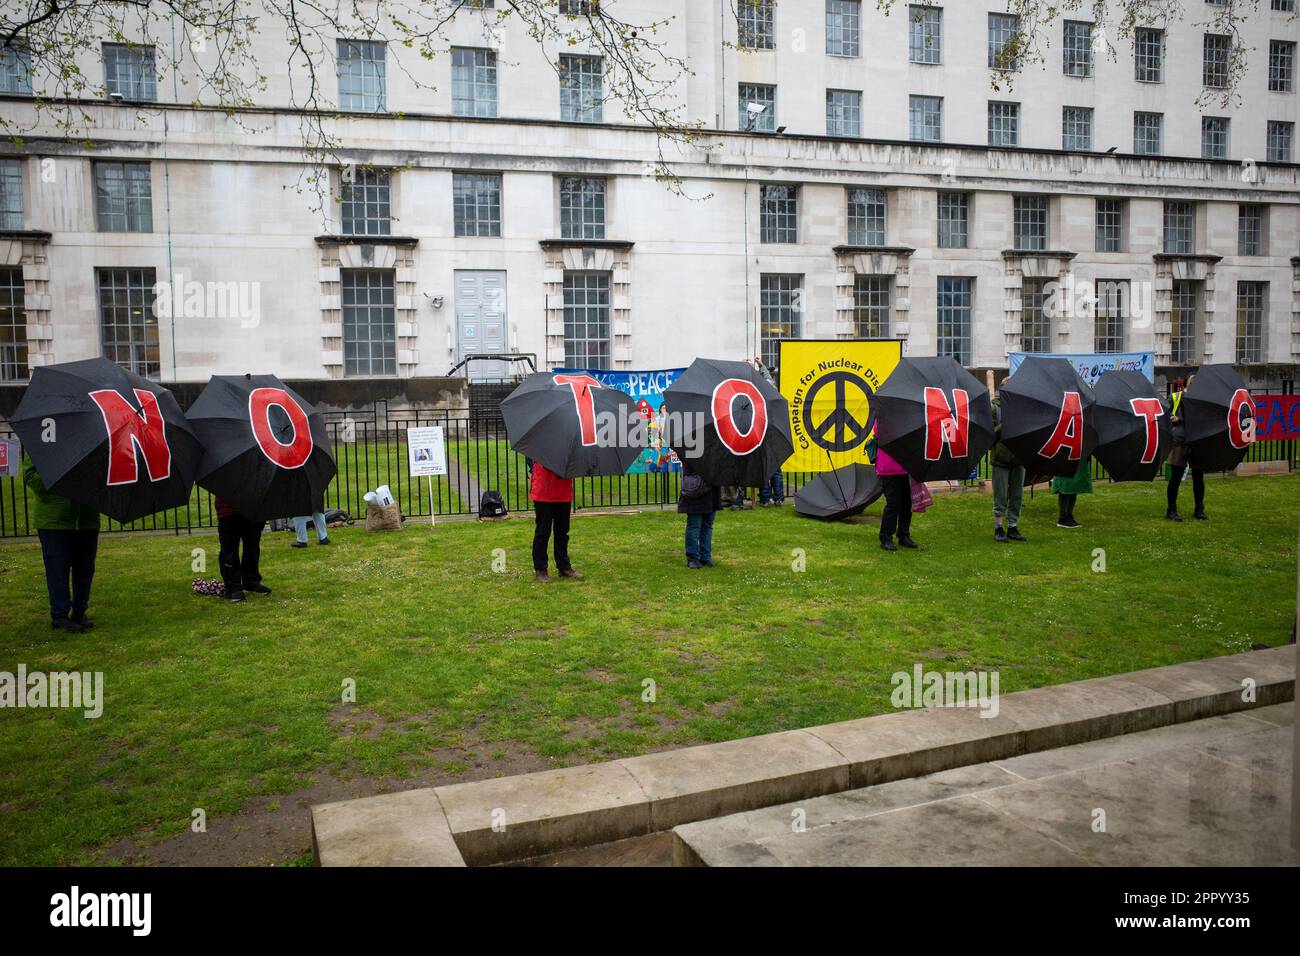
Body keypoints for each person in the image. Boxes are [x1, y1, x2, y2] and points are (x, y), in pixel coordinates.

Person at [22, 452, 100, 632]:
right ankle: (60, 615)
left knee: (85, 569)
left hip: (86, 519)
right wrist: (62, 475)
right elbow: (31, 477)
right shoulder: (42, 443)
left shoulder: (92, 442)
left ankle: (80, 611)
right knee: (58, 570)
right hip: (54, 521)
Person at [530, 460, 580, 582]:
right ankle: (540, 569)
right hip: (544, 492)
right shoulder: (539, 445)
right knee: (542, 533)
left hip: (564, 492)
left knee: (562, 532)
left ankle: (564, 567)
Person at [1165, 376, 1206, 522]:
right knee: (1176, 477)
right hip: (1180, 440)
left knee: (1198, 476)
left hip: (1197, 440)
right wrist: (1172, 417)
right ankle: (1171, 510)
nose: (1195, 385)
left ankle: (1199, 509)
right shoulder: (1176, 397)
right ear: (1188, 384)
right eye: (1192, 382)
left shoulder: (1203, 400)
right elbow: (1165, 411)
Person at [216, 497, 270, 602]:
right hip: (228, 511)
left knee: (252, 548)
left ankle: (251, 581)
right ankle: (233, 588)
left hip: (253, 508)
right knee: (229, 550)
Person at [990, 395, 1028, 543]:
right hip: (1001, 459)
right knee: (1000, 495)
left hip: (1019, 458)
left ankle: (1013, 527)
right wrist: (1003, 425)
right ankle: (998, 527)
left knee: (1017, 494)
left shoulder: (1023, 409)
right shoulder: (995, 408)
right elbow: (990, 433)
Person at [875, 446, 917, 552]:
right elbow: (878, 433)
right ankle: (886, 538)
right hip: (889, 470)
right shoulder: (883, 428)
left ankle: (904, 535)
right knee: (893, 505)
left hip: (906, 469)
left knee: (906, 504)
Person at [678, 466, 721, 569]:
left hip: (711, 488)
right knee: (694, 525)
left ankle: (705, 556)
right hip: (695, 488)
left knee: (707, 525)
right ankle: (692, 557)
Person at [1051, 458, 1092, 529]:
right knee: (1065, 487)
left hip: (1078, 460)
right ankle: (1062, 518)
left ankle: (1069, 515)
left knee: (1074, 487)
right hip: (1066, 460)